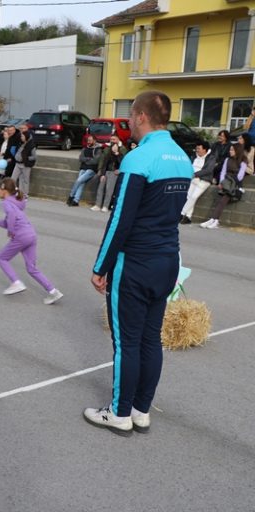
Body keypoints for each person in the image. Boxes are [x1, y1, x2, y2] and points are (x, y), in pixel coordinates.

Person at [86, 90, 193, 436]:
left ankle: (119, 413)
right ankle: (141, 410)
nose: (129, 122)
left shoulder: (138, 158)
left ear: (142, 116)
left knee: (127, 343)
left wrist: (101, 266)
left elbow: (121, 220)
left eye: (131, 116)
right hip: (168, 260)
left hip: (135, 262)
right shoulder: (183, 158)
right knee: (150, 339)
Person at [0, 177, 63, 304]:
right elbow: (7, 222)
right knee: (31, 268)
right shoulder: (15, 203)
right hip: (31, 235)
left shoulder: (6, 203)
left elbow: (11, 217)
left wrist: (11, 231)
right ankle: (53, 291)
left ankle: (16, 282)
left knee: (1, 259)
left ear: (3, 190)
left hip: (21, 236)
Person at [199, 143, 247, 229]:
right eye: (230, 149)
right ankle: (213, 219)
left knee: (222, 201)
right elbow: (223, 171)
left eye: (232, 150)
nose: (230, 151)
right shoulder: (227, 159)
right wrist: (221, 182)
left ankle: (215, 220)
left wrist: (230, 182)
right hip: (226, 182)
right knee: (219, 201)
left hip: (234, 184)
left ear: (237, 151)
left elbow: (240, 176)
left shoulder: (243, 161)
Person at [180, 141, 217, 224]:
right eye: (196, 148)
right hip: (193, 179)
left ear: (205, 150)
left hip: (204, 180)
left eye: (199, 148)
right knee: (189, 196)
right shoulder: (194, 156)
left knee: (193, 197)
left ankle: (181, 213)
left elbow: (208, 170)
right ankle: (188, 217)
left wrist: (195, 174)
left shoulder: (211, 157)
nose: (197, 150)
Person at [91, 135, 126, 212]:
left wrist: (117, 154)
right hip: (106, 171)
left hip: (114, 172)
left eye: (114, 139)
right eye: (111, 139)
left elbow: (124, 161)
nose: (112, 141)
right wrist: (102, 172)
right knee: (100, 188)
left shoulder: (122, 149)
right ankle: (97, 205)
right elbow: (104, 161)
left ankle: (105, 206)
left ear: (118, 140)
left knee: (109, 189)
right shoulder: (108, 148)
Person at [67, 135, 101, 206]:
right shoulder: (84, 148)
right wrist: (88, 159)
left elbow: (95, 161)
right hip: (83, 168)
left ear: (94, 141)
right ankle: (76, 201)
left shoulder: (98, 149)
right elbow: (80, 158)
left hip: (91, 170)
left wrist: (85, 160)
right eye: (88, 140)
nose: (88, 142)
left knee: (79, 180)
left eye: (90, 140)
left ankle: (71, 196)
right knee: (81, 183)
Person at [11, 131, 36, 196]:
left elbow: (34, 157)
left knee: (25, 180)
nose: (21, 137)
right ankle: (12, 191)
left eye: (22, 136)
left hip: (25, 165)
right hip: (17, 164)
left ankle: (24, 194)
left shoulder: (31, 145)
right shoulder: (20, 143)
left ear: (26, 137)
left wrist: (26, 158)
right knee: (13, 178)